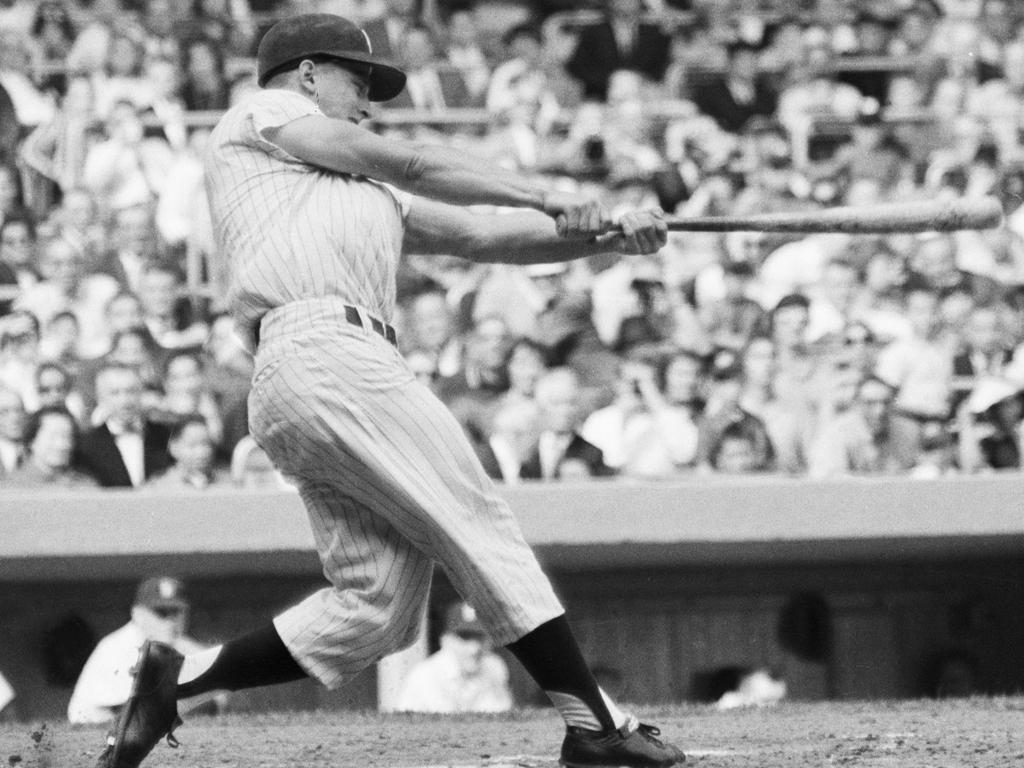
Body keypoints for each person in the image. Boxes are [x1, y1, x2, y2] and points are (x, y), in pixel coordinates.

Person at [92, 13, 683, 768]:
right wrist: (548, 191)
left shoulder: (359, 186)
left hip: (312, 373)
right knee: (473, 518)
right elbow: (399, 157)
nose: (367, 98)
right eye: (355, 79)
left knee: (376, 607)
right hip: (324, 349)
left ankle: (176, 683)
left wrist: (603, 235)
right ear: (306, 74)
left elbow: (483, 238)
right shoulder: (267, 114)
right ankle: (594, 724)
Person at [68, 577, 216, 725]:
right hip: (93, 729)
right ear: (137, 614)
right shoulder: (118, 647)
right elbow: (133, 711)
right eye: (161, 612)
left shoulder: (177, 644)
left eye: (176, 611)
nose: (170, 621)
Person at [396, 601, 514, 713]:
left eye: (479, 637)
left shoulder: (495, 667)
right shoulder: (424, 676)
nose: (474, 648)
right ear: (446, 640)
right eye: (464, 637)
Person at [4, 405, 98, 488]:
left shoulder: (84, 485)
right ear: (32, 441)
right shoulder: (12, 487)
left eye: (67, 437)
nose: (62, 445)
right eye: (53, 437)